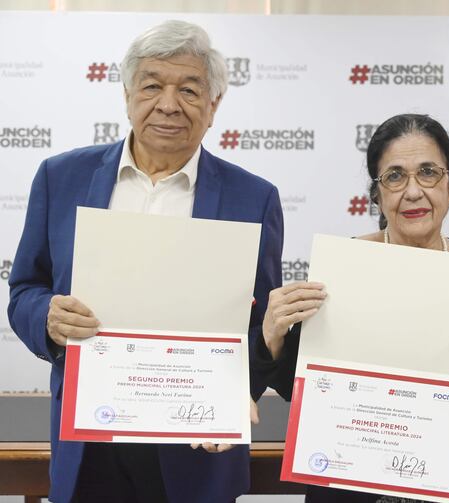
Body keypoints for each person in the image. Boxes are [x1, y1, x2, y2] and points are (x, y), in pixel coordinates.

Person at [7, 20, 283, 503]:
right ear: (127, 93)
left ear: (214, 105)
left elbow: (263, 324)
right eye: (152, 86)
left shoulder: (253, 198)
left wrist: (244, 392)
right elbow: (26, 288)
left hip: (197, 447)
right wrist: (47, 317)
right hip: (90, 441)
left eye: (190, 89)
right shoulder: (61, 177)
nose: (169, 104)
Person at [254, 114, 449, 502]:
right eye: (395, 176)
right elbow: (296, 390)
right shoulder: (343, 268)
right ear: (377, 195)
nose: (413, 191)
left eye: (428, 172)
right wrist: (272, 333)